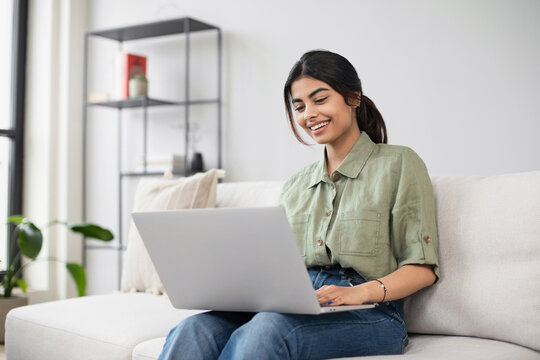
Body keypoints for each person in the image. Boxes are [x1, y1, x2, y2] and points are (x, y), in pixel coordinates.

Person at [159, 50, 440, 360]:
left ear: (354, 97)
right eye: (300, 107)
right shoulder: (296, 184)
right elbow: (275, 267)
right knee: (193, 331)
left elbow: (422, 268)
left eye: (320, 99)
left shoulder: (400, 164)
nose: (309, 114)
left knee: (269, 329)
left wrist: (355, 292)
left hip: (372, 313)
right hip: (295, 302)